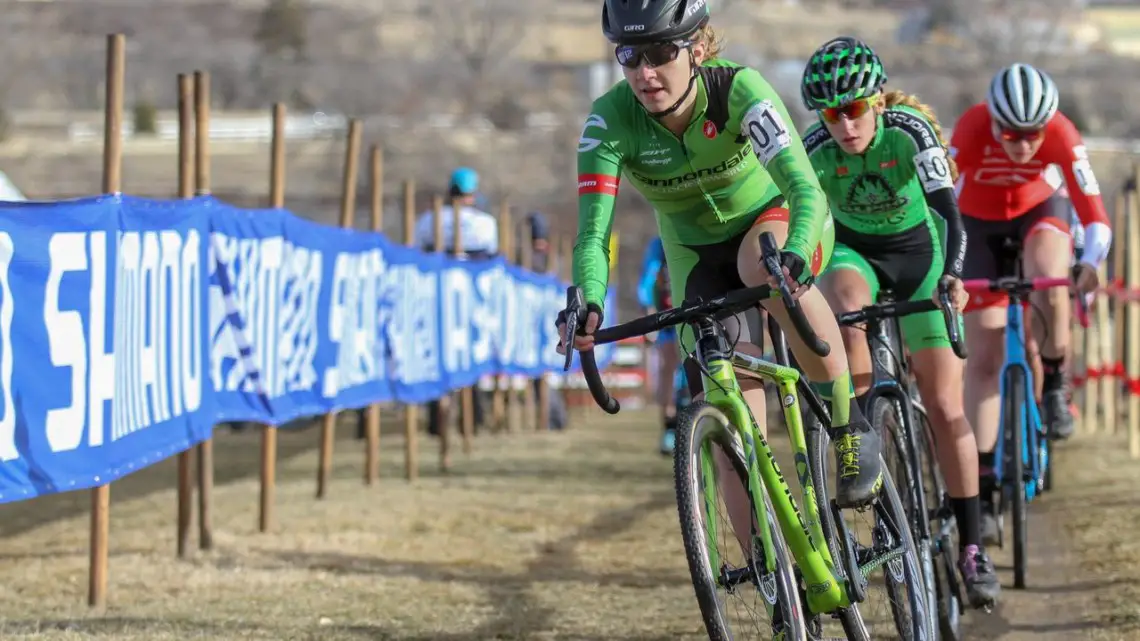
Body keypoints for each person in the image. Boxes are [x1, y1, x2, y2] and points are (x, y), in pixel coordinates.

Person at [556, 0, 884, 527]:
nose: (645, 72)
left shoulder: (739, 90)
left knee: (764, 268)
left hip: (774, 220)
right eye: (630, 55)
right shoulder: (610, 121)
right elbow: (594, 233)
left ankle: (849, 428)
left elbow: (805, 187)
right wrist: (590, 299)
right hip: (694, 254)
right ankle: (774, 578)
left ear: (698, 49)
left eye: (661, 52)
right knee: (731, 420)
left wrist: (797, 251)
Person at [798, 36, 1000, 606]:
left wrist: (953, 278)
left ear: (877, 102)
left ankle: (971, 545)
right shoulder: (815, 148)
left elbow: (949, 213)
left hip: (921, 256)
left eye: (854, 109)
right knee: (843, 303)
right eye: (831, 113)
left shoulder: (910, 130)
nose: (843, 124)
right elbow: (803, 223)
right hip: (855, 255)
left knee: (945, 405)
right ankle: (861, 438)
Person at [950, 63, 1111, 543]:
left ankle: (1056, 383)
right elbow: (942, 203)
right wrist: (948, 269)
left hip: (1041, 210)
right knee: (983, 358)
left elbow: (1094, 213)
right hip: (977, 222)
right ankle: (981, 477)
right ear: (993, 122)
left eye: (1033, 135)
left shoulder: (1062, 131)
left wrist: (1091, 262)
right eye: (1012, 134)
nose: (1022, 146)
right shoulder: (971, 127)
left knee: (1048, 279)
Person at [416, 167, 499, 438]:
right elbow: (492, 261)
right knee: (472, 355)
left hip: (436, 298)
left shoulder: (429, 220)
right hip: (471, 302)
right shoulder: (485, 223)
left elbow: (415, 255)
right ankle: (473, 417)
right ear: (472, 195)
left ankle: (435, 421)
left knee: (438, 357)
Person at [637, 235, 684, 455]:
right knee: (668, 367)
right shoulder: (659, 244)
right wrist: (648, 312)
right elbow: (647, 280)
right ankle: (668, 427)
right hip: (669, 316)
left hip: (698, 309)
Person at [414, 167, 499, 259]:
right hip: (474, 271)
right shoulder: (486, 222)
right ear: (473, 194)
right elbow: (492, 253)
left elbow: (416, 247)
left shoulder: (428, 218)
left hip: (435, 271)